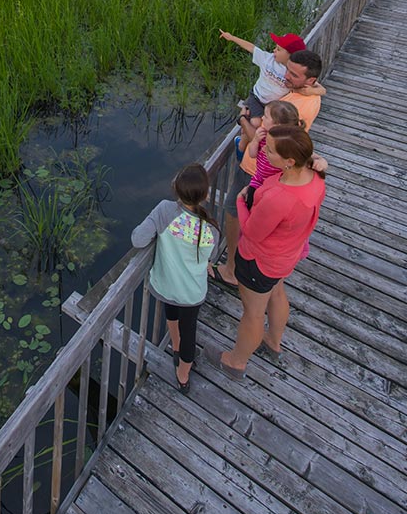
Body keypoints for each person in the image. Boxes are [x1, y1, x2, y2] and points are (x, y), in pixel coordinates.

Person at [203, 125, 325, 378]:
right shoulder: (315, 179)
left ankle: (235, 363)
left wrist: (240, 200)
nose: (265, 154)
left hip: (260, 261)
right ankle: (273, 342)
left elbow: (252, 230)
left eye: (270, 151)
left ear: (290, 161)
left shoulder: (281, 197)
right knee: (277, 293)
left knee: (253, 313)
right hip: (286, 255)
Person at [214, 48, 325, 288]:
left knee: (234, 210)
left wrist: (244, 121)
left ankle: (232, 269)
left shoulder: (302, 106)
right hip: (265, 171)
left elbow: (271, 143)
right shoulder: (304, 94)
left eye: (294, 75)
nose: (287, 77)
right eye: (288, 70)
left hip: (256, 172)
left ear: (310, 80)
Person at [131, 164, 217, 395]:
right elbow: (207, 256)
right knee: (190, 330)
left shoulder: (164, 211)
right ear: (206, 195)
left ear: (176, 190)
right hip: (192, 293)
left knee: (172, 312)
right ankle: (183, 374)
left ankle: (176, 347)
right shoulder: (211, 230)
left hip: (166, 285)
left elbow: (138, 240)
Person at [219, 29, 307, 144]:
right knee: (256, 123)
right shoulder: (268, 59)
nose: (274, 50)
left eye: (279, 49)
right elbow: (251, 48)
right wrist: (231, 37)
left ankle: (246, 143)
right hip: (257, 98)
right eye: (275, 47)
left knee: (268, 129)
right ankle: (245, 146)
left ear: (291, 56)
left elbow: (308, 83)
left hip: (273, 105)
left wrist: (320, 90)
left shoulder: (293, 71)